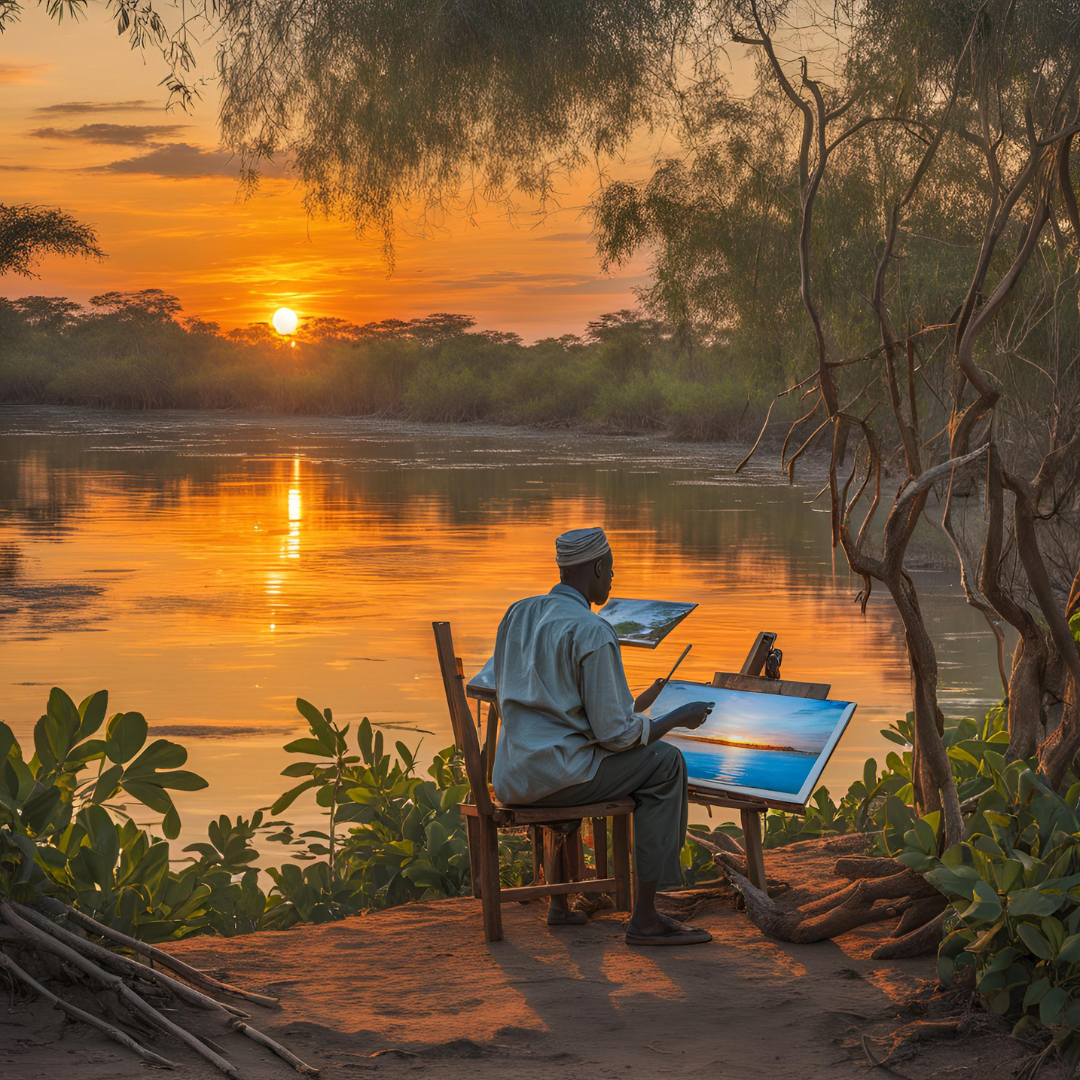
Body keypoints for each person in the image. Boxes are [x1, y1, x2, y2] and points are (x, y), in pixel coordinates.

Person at [492, 526, 714, 945]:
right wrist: (675, 718)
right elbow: (615, 736)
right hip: (557, 780)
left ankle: (560, 905)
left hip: (513, 777)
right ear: (596, 567)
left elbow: (550, 703)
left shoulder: (518, 614)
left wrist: (632, 707)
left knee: (580, 752)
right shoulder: (593, 630)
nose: (612, 579)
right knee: (666, 763)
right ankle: (646, 918)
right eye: (610, 570)